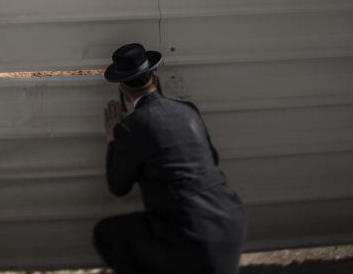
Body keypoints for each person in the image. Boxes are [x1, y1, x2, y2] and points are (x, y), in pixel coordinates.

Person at [92, 43, 247, 274]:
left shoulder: (129, 128)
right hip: (230, 225)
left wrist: (113, 140)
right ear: (154, 75)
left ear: (122, 88)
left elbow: (118, 187)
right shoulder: (188, 109)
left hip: (190, 239)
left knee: (106, 233)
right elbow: (212, 158)